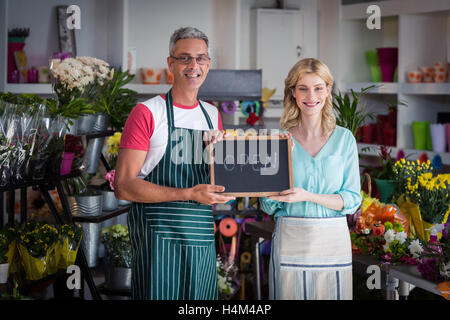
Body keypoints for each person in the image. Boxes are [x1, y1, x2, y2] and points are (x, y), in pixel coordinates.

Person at [114, 27, 235, 300]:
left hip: (201, 238)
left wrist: (232, 178)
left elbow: (215, 186)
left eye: (201, 58)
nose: (194, 66)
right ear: (170, 63)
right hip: (159, 241)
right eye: (184, 58)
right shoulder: (147, 112)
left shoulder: (212, 115)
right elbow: (123, 187)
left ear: (209, 64)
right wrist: (189, 193)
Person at [259, 58, 362, 300]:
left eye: (318, 87)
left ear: (327, 90)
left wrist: (307, 196)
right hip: (290, 240)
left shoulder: (344, 139)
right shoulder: (279, 140)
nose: (310, 96)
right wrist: (270, 188)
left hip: (333, 243)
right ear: (293, 92)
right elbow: (268, 205)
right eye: (302, 88)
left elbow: (352, 200)